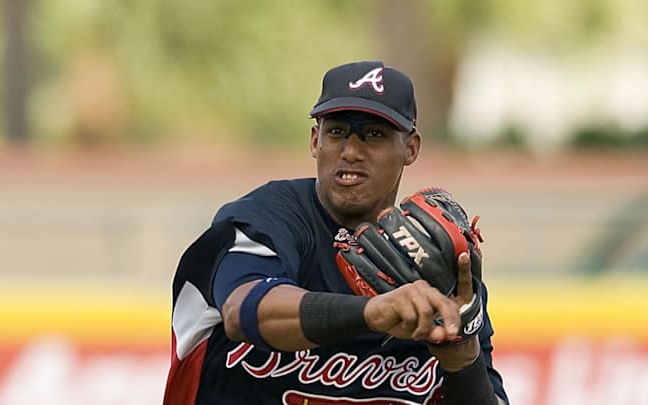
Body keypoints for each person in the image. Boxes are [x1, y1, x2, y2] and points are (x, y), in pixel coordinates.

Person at [163, 60, 509, 404]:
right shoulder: (266, 218)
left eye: (374, 135)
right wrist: (373, 313)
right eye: (337, 132)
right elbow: (244, 310)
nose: (351, 152)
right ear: (315, 141)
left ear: (411, 148)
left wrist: (461, 355)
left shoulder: (434, 267)